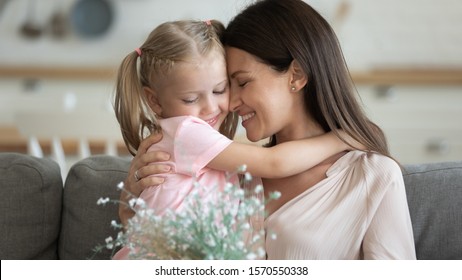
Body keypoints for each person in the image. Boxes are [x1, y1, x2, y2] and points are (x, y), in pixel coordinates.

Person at [120, 0, 416, 259]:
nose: (230, 103)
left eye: (241, 83)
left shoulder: (372, 176)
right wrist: (131, 200)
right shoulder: (234, 175)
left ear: (296, 76)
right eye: (229, 86)